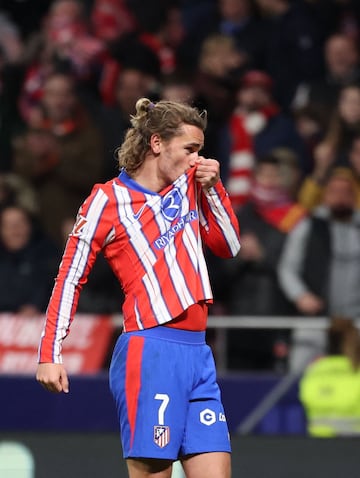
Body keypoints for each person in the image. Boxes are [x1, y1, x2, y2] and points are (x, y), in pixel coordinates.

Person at [36, 97, 241, 478]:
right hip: (151, 353)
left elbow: (228, 247)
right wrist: (50, 352)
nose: (198, 160)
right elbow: (70, 276)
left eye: (201, 151)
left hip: (198, 355)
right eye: (190, 150)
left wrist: (214, 188)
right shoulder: (107, 200)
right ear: (157, 143)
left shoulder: (192, 186)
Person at [278, 167, 360, 371]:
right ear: (325, 195)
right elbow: (287, 267)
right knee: (301, 373)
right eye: (334, 192)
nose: (340, 198)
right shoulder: (309, 225)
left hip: (356, 319)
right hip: (316, 318)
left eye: (346, 192)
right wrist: (301, 296)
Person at [299, 317, 360, 437]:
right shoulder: (356, 369)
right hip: (354, 442)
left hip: (318, 441)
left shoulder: (315, 368)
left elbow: (305, 399)